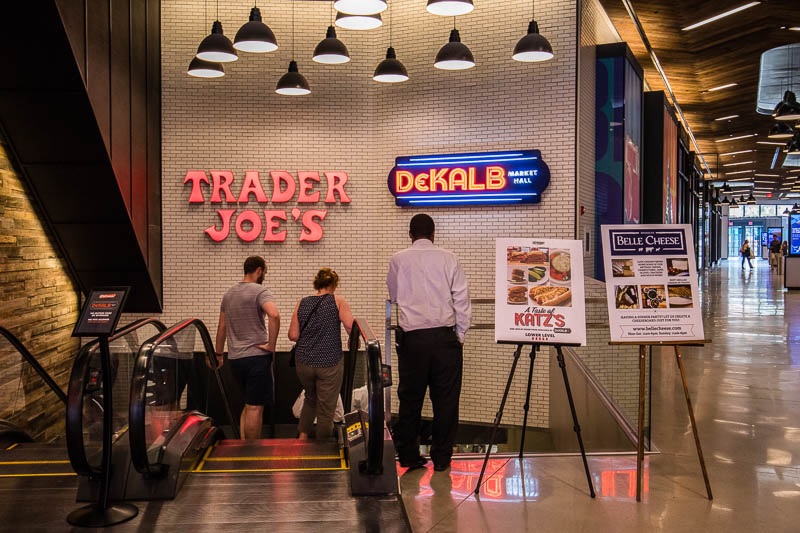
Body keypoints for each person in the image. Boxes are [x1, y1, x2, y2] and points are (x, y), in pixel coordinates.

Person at [387, 213, 471, 472]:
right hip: (444, 339)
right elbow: (462, 300)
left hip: (412, 340)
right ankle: (442, 458)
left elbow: (394, 294)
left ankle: (409, 456)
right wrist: (459, 336)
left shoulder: (398, 259)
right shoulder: (450, 258)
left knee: (410, 399)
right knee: (446, 401)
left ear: (410, 234)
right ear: (434, 234)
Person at [215, 256, 280, 440]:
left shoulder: (228, 294)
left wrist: (219, 354)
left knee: (247, 403)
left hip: (235, 359)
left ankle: (243, 446)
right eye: (264, 272)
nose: (264, 276)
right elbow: (274, 315)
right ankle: (252, 452)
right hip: (257, 358)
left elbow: (222, 326)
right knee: (255, 407)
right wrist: (272, 345)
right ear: (259, 270)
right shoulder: (260, 291)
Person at [288, 268, 353, 440]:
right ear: (333, 284)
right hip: (329, 362)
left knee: (310, 398)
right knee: (326, 406)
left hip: (304, 362)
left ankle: (302, 438)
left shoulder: (302, 302)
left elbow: (293, 335)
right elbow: (350, 326)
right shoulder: (337, 301)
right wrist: (353, 341)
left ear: (317, 283)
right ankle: (321, 447)